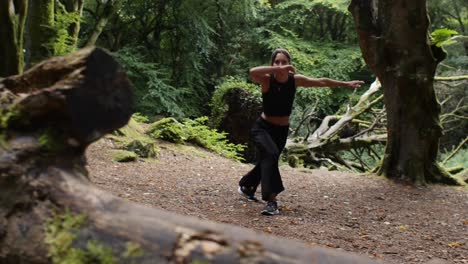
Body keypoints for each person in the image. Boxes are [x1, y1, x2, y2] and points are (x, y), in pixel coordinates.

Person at [238, 48, 364, 216]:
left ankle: (247, 185)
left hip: (281, 131)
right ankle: (271, 201)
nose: (280, 65)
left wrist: (345, 84)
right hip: (263, 128)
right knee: (271, 154)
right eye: (277, 62)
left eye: (284, 62)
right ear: (272, 64)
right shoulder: (267, 80)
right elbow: (252, 72)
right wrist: (277, 70)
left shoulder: (294, 80)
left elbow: (321, 82)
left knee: (269, 158)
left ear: (290, 64)